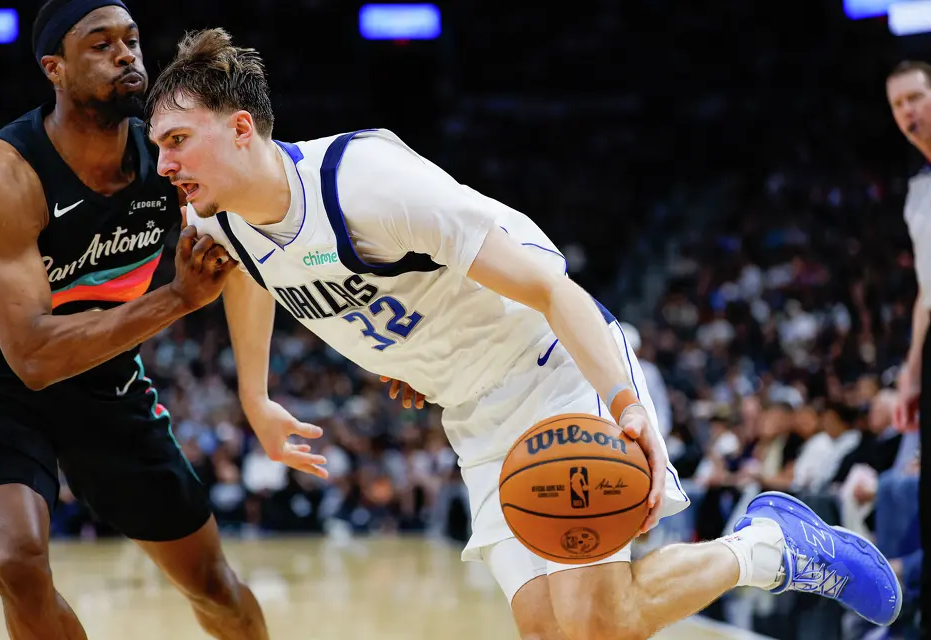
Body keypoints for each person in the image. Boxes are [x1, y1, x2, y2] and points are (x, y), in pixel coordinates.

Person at [147, 27, 902, 639]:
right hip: (473, 411)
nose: (164, 162)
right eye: (158, 146)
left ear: (241, 128)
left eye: (177, 139)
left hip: (553, 364)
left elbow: (550, 286)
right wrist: (255, 395)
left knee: (599, 626)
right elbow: (248, 268)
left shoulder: (365, 181)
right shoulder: (213, 215)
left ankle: (773, 547)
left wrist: (624, 404)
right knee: (549, 632)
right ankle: (768, 544)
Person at [0, 3, 273, 639]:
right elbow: (31, 356)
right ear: (54, 69)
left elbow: (257, 254)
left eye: (132, 41)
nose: (126, 55)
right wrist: (176, 300)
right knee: (14, 561)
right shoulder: (0, 175)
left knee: (213, 586)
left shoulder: (169, 161)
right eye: (101, 44)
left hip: (106, 375)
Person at [887, 58, 931, 638]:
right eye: (899, 104)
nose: (909, 112)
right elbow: (927, 290)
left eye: (917, 97)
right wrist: (912, 371)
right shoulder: (917, 194)